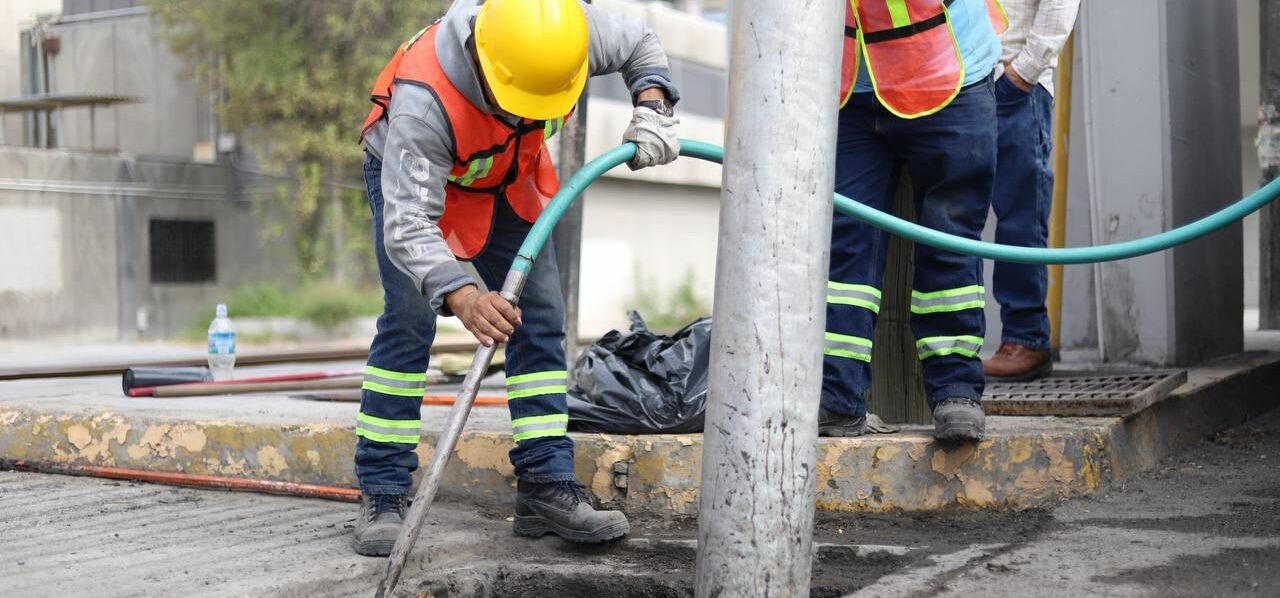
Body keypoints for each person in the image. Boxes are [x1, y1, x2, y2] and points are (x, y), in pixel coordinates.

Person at [352, 0, 679, 556]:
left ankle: (545, 485)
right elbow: (408, 222)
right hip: (413, 181)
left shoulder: (565, 35)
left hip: (504, 176)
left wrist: (653, 105)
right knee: (409, 322)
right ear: (485, 64)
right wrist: (462, 292)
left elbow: (641, 42)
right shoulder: (422, 104)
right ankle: (382, 489)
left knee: (542, 315)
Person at [819, 0, 1007, 442]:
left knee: (950, 239)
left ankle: (956, 390)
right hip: (849, 85)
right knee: (845, 249)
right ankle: (837, 396)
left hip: (944, 72)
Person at [982, 0, 1081, 381]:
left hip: (1016, 87)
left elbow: (1060, 5)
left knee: (1021, 218)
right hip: (963, 80)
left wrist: (1021, 74)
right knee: (958, 216)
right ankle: (958, 349)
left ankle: (1026, 339)